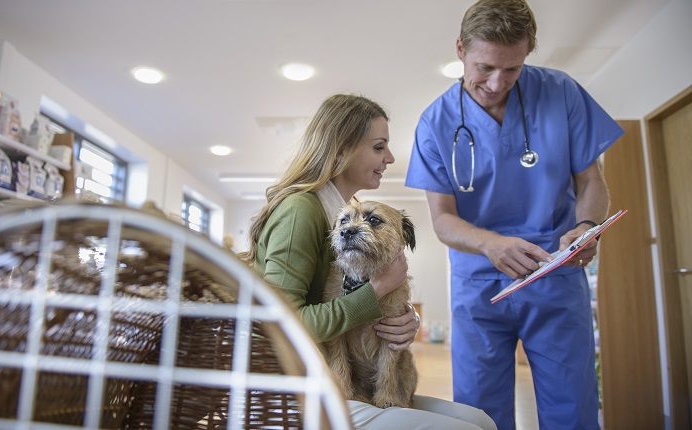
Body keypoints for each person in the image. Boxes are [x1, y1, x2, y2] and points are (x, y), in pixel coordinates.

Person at [404, 0, 625, 429]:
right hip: (479, 283)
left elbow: (591, 182)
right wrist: (490, 243)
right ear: (460, 49)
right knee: (480, 414)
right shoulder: (435, 122)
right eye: (485, 67)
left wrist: (585, 227)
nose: (496, 82)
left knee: (573, 410)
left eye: (512, 69)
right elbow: (443, 220)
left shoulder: (561, 92)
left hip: (554, 275)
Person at [241, 93, 497, 430]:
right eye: (379, 147)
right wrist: (376, 292)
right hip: (293, 386)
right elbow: (280, 325)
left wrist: (406, 318)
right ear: (342, 149)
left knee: (478, 420)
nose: (390, 157)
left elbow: (352, 293)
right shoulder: (300, 211)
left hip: (337, 377)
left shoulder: (341, 212)